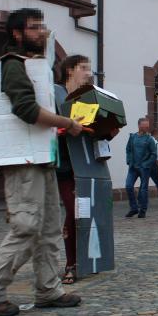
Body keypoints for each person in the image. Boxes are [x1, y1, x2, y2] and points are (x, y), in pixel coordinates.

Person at [0, 8, 82, 316]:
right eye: (34, 28)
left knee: (48, 228)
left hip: (41, 157)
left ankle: (48, 289)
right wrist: (67, 122)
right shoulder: (12, 65)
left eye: (42, 26)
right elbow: (25, 109)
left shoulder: (34, 65)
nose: (42, 32)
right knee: (26, 226)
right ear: (17, 33)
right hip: (22, 160)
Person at [54, 54, 94, 285]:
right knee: (73, 211)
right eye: (83, 68)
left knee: (87, 212)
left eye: (89, 68)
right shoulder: (55, 93)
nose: (88, 72)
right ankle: (71, 263)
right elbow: (46, 126)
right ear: (70, 70)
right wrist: (66, 128)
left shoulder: (88, 97)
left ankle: (90, 259)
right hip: (65, 165)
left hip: (88, 163)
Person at [125, 118, 158, 218]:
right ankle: (134, 208)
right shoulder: (133, 137)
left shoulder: (149, 139)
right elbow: (128, 149)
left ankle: (143, 210)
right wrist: (129, 160)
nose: (147, 127)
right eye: (145, 125)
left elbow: (154, 154)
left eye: (147, 125)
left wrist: (146, 164)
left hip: (144, 168)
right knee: (128, 186)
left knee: (143, 189)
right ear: (139, 126)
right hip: (133, 167)